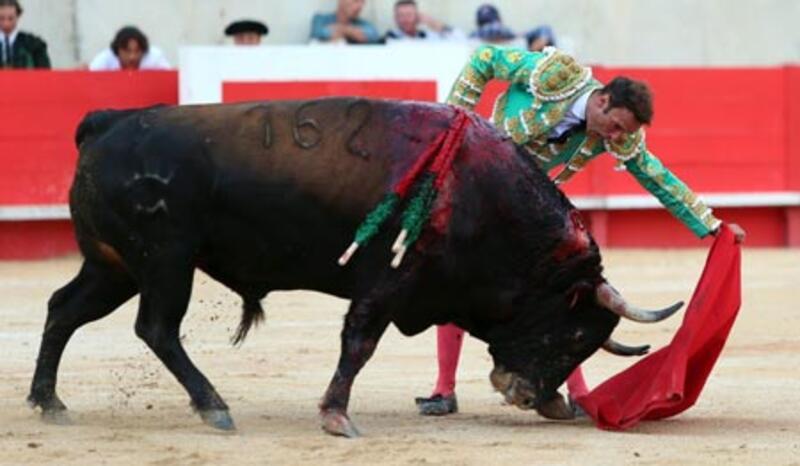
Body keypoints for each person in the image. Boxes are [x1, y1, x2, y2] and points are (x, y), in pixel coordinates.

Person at [415, 44, 747, 416]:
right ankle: (444, 389)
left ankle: (577, 392)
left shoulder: (620, 135)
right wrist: (454, 121)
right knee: (457, 276)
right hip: (481, 185)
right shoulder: (556, 75)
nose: (616, 137)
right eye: (616, 126)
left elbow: (658, 178)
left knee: (561, 292)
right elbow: (485, 58)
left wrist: (712, 227)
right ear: (602, 101)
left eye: (624, 132)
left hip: (530, 204)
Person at [88, 26, 170, 71]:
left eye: (137, 51)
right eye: (127, 51)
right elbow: (90, 75)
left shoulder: (155, 57)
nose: (132, 57)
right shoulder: (105, 58)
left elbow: (169, 78)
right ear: (117, 50)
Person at [0, 0, 49, 69]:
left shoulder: (34, 44)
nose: (6, 24)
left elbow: (45, 74)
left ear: (18, 16)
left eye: (11, 18)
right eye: (1, 18)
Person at [384, 0, 463, 42]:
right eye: (401, 15)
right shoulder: (388, 38)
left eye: (409, 15)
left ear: (417, 16)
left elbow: (459, 39)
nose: (405, 19)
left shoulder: (427, 36)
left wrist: (431, 22)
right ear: (395, 18)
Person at [310, 0, 380, 44]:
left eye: (363, 2)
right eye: (356, 1)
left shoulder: (365, 24)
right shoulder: (320, 20)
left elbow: (373, 35)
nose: (360, 6)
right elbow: (318, 33)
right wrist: (353, 34)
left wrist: (342, 30)